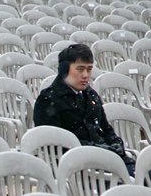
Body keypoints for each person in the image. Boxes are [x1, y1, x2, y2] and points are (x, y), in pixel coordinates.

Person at [32, 43, 136, 177]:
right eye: (80, 69)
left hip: (105, 160)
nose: (86, 75)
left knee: (150, 176)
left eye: (89, 69)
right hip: (79, 168)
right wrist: (98, 150)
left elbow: (106, 128)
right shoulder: (48, 99)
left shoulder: (91, 95)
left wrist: (116, 144)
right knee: (135, 180)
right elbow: (54, 144)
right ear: (64, 70)